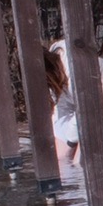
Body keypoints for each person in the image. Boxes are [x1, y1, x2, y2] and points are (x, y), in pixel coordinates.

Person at [44, 41, 78, 170]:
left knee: (70, 157)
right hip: (79, 116)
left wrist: (70, 142)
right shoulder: (56, 72)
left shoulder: (72, 66)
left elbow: (85, 109)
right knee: (61, 156)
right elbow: (60, 109)